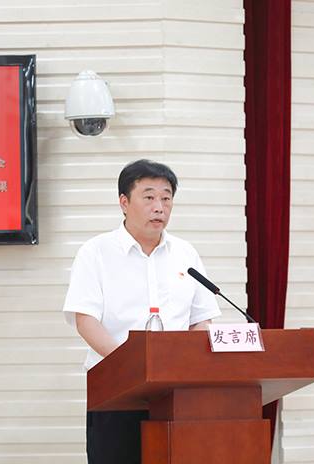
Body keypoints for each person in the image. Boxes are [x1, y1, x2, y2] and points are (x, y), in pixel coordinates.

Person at [63, 159, 221, 464]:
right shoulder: (95, 252)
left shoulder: (185, 253)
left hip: (177, 390)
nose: (159, 207)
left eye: (166, 198)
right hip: (116, 389)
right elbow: (86, 320)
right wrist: (132, 366)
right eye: (149, 197)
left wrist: (191, 363)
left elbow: (201, 319)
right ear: (124, 202)